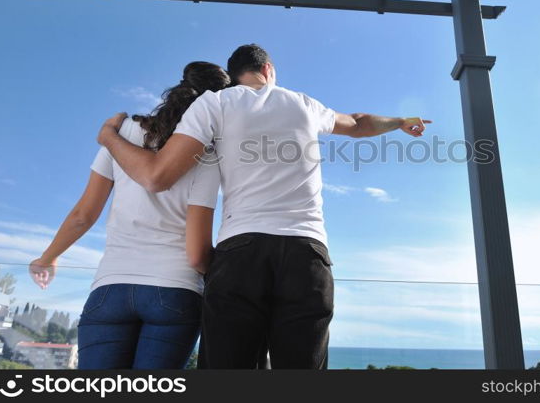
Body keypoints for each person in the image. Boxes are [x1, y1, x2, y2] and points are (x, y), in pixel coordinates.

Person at [96, 44, 431, 369]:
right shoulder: (304, 104)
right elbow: (358, 123)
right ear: (268, 69)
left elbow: (157, 177)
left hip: (240, 253)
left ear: (234, 76)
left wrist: (110, 136)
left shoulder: (215, 103)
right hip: (307, 253)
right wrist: (400, 120)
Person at [29, 61, 229, 369]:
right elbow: (196, 255)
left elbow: (84, 214)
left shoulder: (123, 132)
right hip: (176, 290)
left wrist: (48, 257)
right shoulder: (209, 154)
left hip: (111, 289)